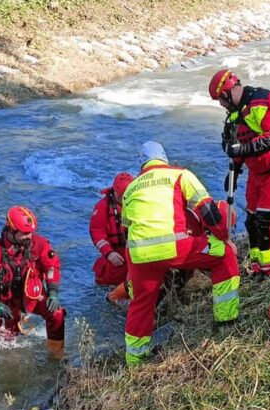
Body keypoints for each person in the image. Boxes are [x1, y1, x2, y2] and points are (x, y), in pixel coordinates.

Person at [120, 141, 239, 366]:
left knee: (141, 304)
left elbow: (127, 230)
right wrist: (224, 239)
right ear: (164, 158)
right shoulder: (180, 175)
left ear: (141, 164)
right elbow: (208, 210)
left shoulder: (131, 188)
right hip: (174, 247)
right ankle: (226, 318)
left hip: (138, 254)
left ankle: (135, 361)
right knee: (225, 255)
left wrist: (131, 268)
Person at [207, 69, 270, 278]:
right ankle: (258, 267)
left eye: (220, 101)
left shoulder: (263, 101)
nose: (221, 105)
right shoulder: (234, 114)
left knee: (264, 221)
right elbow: (239, 144)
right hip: (258, 172)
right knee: (251, 222)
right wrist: (235, 172)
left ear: (226, 94)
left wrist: (242, 151)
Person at [0, 205, 65, 348]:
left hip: (31, 295)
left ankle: (56, 355)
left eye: (31, 232)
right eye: (25, 233)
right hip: (4, 301)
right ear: (12, 230)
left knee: (57, 314)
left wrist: (53, 291)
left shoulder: (39, 243)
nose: (29, 236)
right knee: (2, 342)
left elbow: (52, 267)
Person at [89, 171, 133, 304]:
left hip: (133, 253)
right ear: (115, 192)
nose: (125, 199)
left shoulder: (137, 203)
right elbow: (97, 232)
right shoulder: (102, 207)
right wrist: (109, 253)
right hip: (114, 257)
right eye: (122, 196)